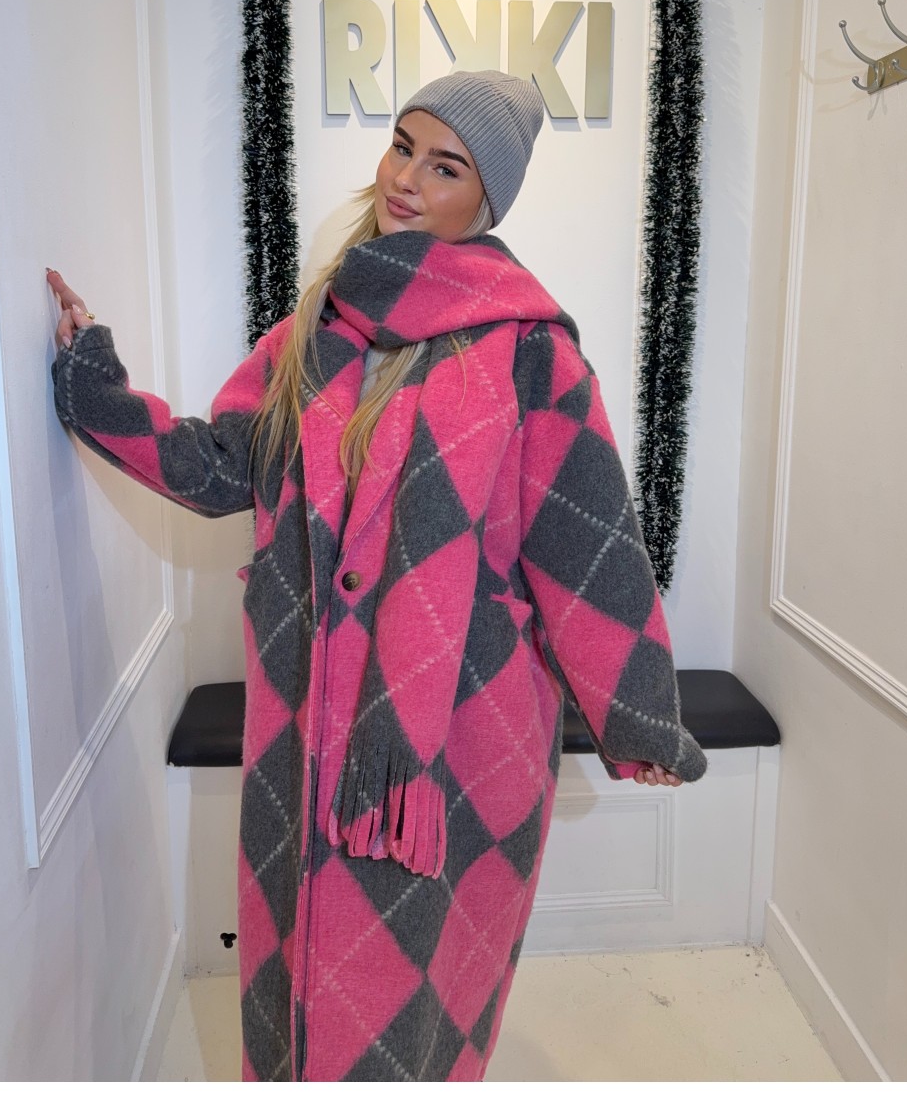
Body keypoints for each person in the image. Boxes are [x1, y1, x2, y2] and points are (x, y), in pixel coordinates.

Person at [48, 69, 707, 1083]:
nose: (406, 178)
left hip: (458, 740)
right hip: (304, 720)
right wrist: (95, 382)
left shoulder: (532, 354)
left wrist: (640, 720)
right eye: (403, 145)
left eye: (445, 167)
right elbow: (219, 466)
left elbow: (590, 547)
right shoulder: (314, 332)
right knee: (299, 979)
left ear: (484, 200)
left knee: (412, 1008)